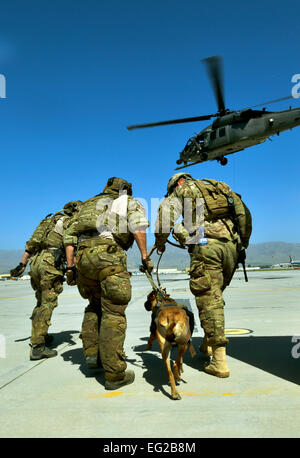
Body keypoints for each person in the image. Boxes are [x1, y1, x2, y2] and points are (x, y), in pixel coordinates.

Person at [155, 173, 252, 378]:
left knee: (210, 301)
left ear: (177, 183)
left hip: (206, 247)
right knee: (215, 296)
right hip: (231, 248)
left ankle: (219, 361)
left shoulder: (182, 190)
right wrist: (242, 242)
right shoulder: (219, 186)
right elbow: (244, 214)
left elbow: (165, 217)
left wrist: (161, 241)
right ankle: (207, 346)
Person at [63, 177, 153, 390]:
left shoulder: (87, 204)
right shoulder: (126, 201)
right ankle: (114, 374)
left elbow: (69, 237)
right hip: (108, 256)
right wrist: (144, 256)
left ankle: (92, 357)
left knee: (94, 306)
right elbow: (138, 227)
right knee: (113, 312)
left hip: (83, 259)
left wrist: (70, 267)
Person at [10, 201, 82, 360]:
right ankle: (37, 346)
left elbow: (32, 243)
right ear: (75, 211)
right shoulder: (70, 221)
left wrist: (22, 263)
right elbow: (70, 244)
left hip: (36, 262)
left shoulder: (48, 221)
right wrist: (71, 268)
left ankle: (40, 334)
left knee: (40, 301)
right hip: (50, 263)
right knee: (48, 303)